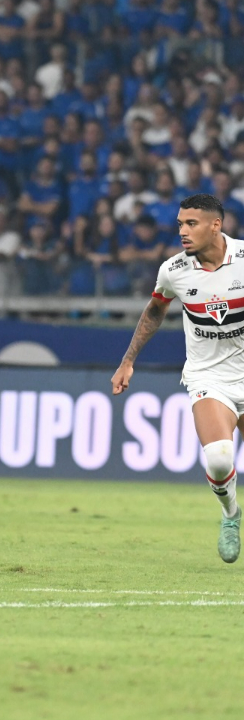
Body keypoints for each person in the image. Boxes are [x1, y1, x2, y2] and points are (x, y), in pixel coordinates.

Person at [112, 194, 244, 564]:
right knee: (219, 459)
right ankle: (231, 515)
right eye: (180, 224)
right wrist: (128, 360)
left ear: (216, 226)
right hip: (209, 376)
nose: (182, 232)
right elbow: (155, 309)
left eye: (191, 224)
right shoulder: (174, 270)